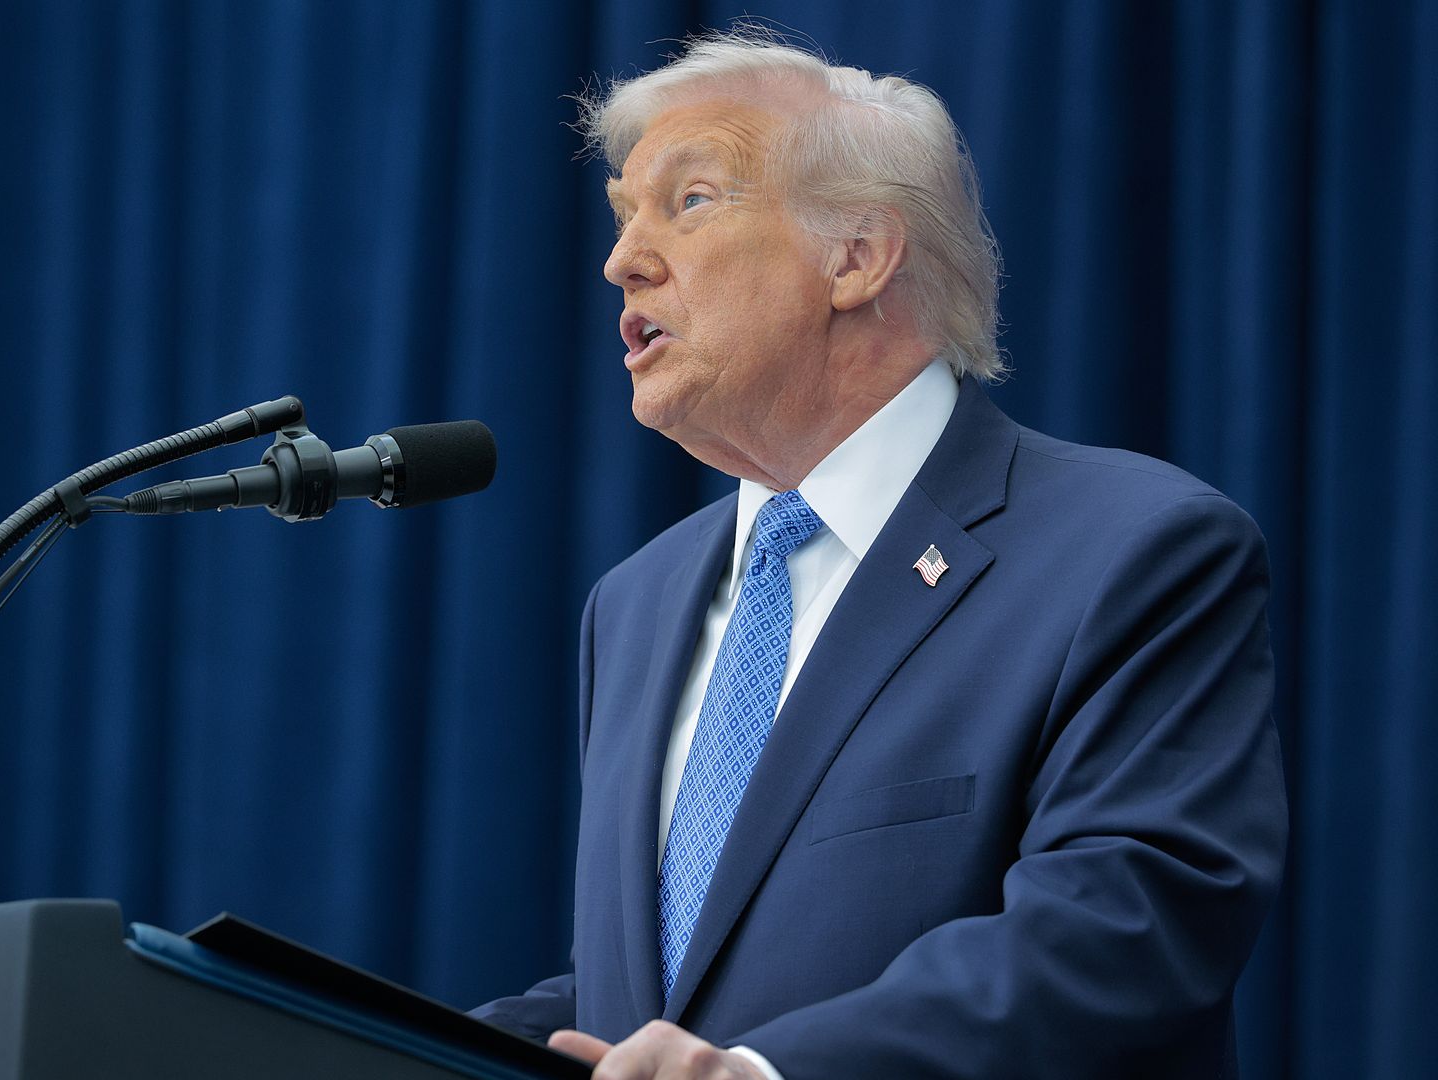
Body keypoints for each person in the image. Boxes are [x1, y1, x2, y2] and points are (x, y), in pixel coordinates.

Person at [471, 31, 1287, 1080]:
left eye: (691, 201)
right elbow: (659, 992)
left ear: (857, 256)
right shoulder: (636, 602)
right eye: (624, 214)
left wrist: (769, 1075)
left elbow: (1126, 925)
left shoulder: (1136, 553)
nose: (621, 259)